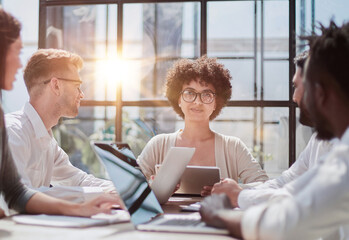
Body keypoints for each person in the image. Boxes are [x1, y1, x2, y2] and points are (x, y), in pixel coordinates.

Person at [200, 21, 349, 239]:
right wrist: (238, 191)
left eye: (298, 87)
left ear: (321, 92)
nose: (294, 98)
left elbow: (282, 224)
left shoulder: (345, 159)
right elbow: (291, 186)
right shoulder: (333, 145)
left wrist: (219, 212)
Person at [0, 8, 117, 218]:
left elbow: (78, 180)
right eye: (77, 85)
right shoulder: (14, 131)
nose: (82, 94)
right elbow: (17, 196)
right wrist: (83, 204)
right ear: (55, 85)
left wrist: (118, 192)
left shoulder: (47, 139)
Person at [211, 51, 337, 209]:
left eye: (296, 87)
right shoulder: (319, 138)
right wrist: (235, 190)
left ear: (319, 89)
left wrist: (238, 195)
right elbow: (286, 182)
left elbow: (308, 199)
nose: (294, 97)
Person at [137, 56, 268, 196]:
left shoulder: (233, 147)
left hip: (217, 217)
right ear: (179, 99)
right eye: (189, 93)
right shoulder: (158, 144)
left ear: (216, 103)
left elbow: (265, 187)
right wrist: (152, 187)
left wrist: (235, 190)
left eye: (206, 95)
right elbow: (129, 185)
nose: (197, 102)